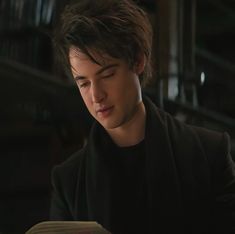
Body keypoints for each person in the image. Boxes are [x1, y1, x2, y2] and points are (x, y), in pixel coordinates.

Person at [50, 0, 235, 233]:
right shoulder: (68, 181)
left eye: (107, 75)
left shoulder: (209, 155)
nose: (96, 95)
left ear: (138, 61)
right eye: (84, 83)